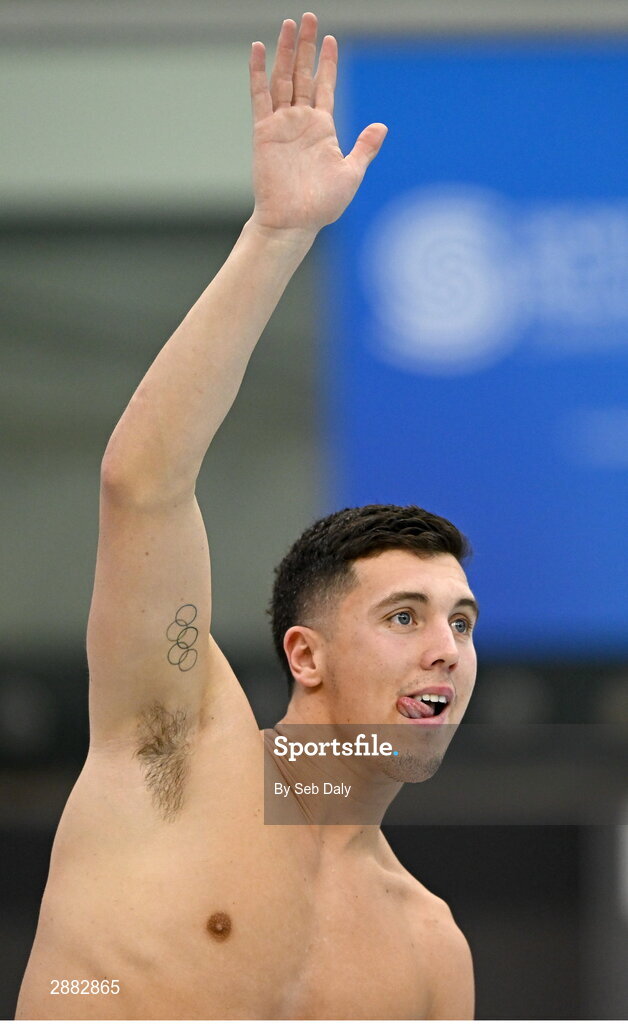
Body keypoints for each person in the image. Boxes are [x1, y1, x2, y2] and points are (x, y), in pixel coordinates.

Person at [16, 11, 477, 1020]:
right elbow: (143, 481)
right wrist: (278, 236)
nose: (446, 648)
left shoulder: (428, 944)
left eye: (459, 620)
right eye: (404, 615)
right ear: (304, 654)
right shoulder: (175, 747)